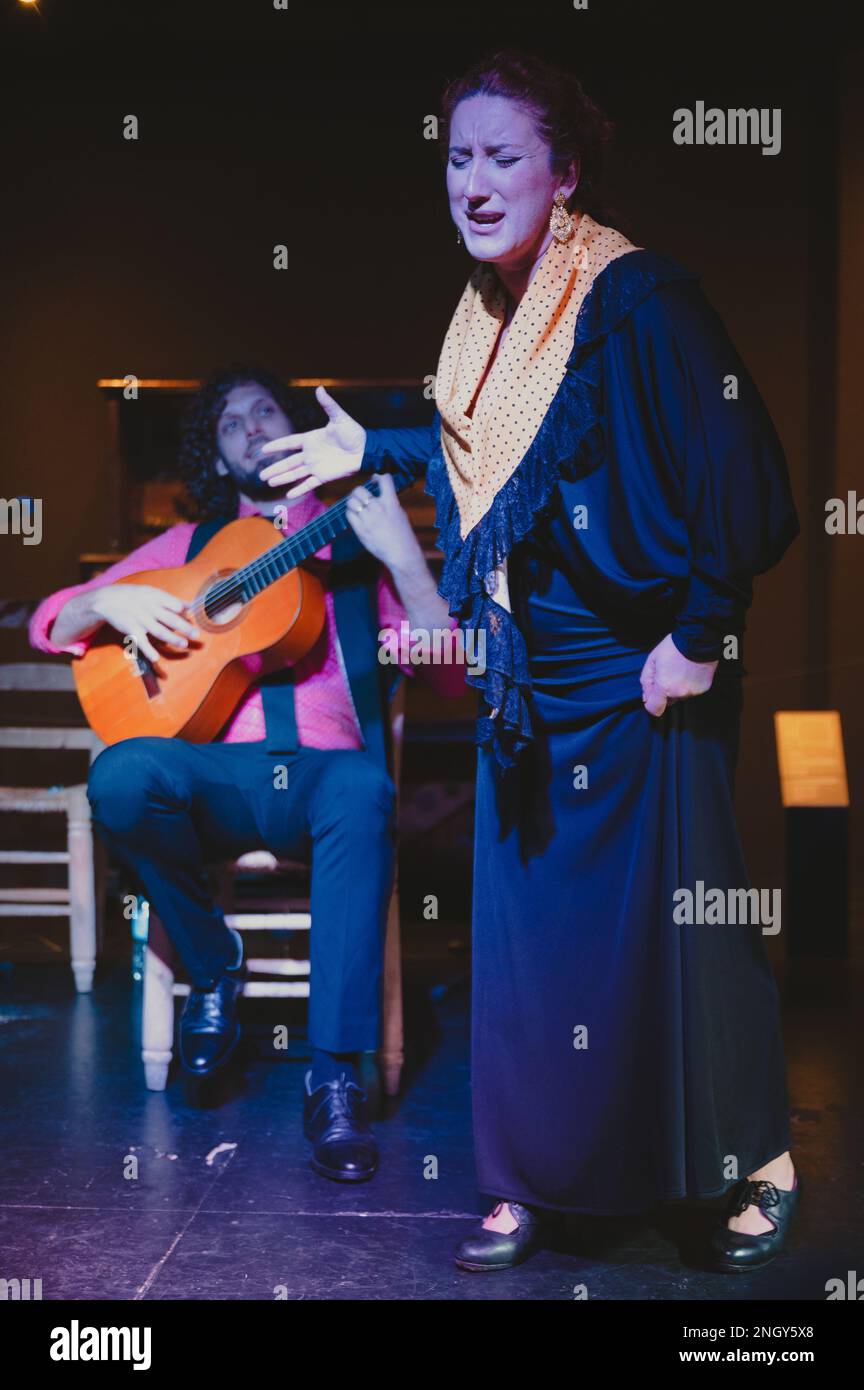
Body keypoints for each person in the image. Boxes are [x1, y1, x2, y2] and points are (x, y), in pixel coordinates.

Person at [257, 51, 802, 1272]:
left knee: (687, 934)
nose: (475, 181)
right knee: (531, 953)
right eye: (458, 156)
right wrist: (377, 445)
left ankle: (753, 1164)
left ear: (565, 175)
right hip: (533, 676)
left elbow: (746, 476)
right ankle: (533, 1179)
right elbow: (514, 453)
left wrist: (700, 635)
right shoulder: (485, 326)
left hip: (642, 672)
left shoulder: (633, 295)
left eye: (504, 157)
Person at [29, 363, 466, 1184]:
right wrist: (107, 606)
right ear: (216, 457)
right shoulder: (188, 550)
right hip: (216, 782)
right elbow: (53, 620)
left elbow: (452, 674)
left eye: (266, 409)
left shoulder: (353, 533)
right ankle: (215, 962)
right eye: (230, 423)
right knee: (120, 776)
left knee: (364, 787)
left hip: (320, 781)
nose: (253, 426)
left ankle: (333, 1075)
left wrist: (406, 561)